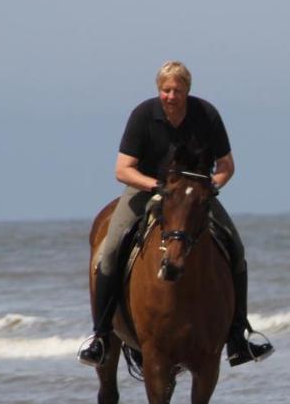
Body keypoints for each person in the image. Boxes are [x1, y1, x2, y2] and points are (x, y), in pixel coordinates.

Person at [77, 61, 274, 368]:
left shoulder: (206, 115)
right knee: (110, 251)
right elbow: (122, 169)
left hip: (193, 196)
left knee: (235, 247)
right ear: (159, 91)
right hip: (145, 189)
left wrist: (211, 187)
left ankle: (238, 334)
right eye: (166, 90)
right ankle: (101, 336)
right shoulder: (143, 116)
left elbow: (226, 166)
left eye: (177, 90)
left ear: (187, 91)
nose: (171, 96)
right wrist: (157, 186)